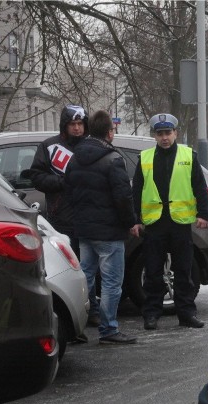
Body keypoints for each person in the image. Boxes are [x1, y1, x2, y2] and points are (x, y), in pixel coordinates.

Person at [131, 113, 208, 331]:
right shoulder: (145, 158)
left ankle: (186, 314)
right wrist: (135, 220)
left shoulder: (188, 155)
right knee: (153, 271)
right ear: (154, 136)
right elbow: (136, 191)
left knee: (183, 272)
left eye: (168, 133)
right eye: (160, 134)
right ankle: (151, 314)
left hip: (179, 223)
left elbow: (200, 187)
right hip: (154, 224)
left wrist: (204, 214)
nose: (164, 137)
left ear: (176, 133)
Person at [65, 110, 138, 345]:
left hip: (84, 229)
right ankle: (108, 329)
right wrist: (130, 222)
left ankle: (81, 323)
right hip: (108, 231)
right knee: (111, 281)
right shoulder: (112, 159)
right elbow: (123, 197)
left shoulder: (75, 157)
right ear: (110, 132)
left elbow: (69, 190)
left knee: (86, 275)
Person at [26, 104, 98, 327]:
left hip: (89, 217)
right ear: (64, 126)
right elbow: (36, 176)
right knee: (66, 269)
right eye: (72, 124)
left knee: (88, 268)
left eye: (80, 124)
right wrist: (62, 182)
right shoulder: (49, 147)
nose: (76, 128)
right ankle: (69, 312)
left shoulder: (92, 146)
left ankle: (92, 310)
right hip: (61, 218)